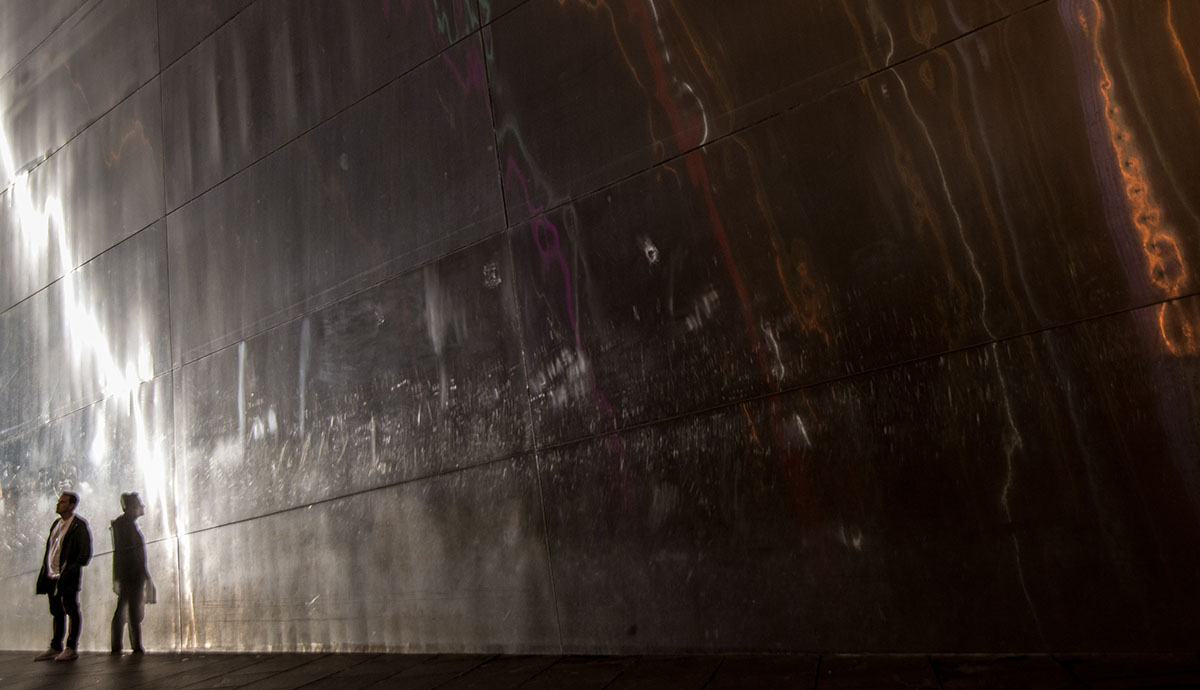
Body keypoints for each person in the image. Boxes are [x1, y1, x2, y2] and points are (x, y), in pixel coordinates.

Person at [33, 491, 92, 662]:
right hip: (52, 575)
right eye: (59, 501)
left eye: (63, 502)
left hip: (67, 576)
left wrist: (70, 569)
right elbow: (51, 549)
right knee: (57, 611)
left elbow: (85, 553)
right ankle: (56, 646)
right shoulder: (56, 524)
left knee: (71, 609)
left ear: (72, 505)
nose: (58, 504)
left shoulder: (78, 525)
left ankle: (71, 647)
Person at [110, 492, 151, 655]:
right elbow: (123, 553)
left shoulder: (126, 525)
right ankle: (129, 646)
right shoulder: (123, 525)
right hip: (130, 575)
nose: (142, 506)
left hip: (131, 575)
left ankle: (129, 645)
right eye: (139, 503)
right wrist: (119, 577)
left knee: (129, 610)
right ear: (131, 507)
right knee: (127, 610)